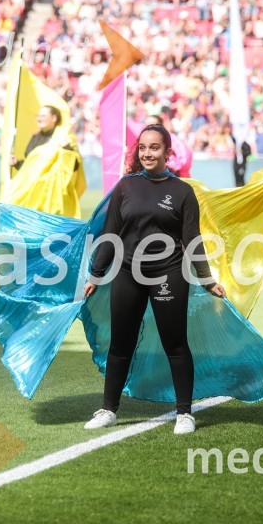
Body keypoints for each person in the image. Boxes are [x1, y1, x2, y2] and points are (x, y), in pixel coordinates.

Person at [81, 124, 227, 435]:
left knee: (175, 344)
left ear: (167, 152)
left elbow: (192, 239)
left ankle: (184, 413)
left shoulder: (182, 192)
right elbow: (110, 232)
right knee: (120, 344)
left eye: (154, 148)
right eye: (143, 148)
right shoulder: (126, 186)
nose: (147, 153)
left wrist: (206, 279)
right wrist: (96, 273)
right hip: (126, 273)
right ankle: (108, 409)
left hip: (168, 274)